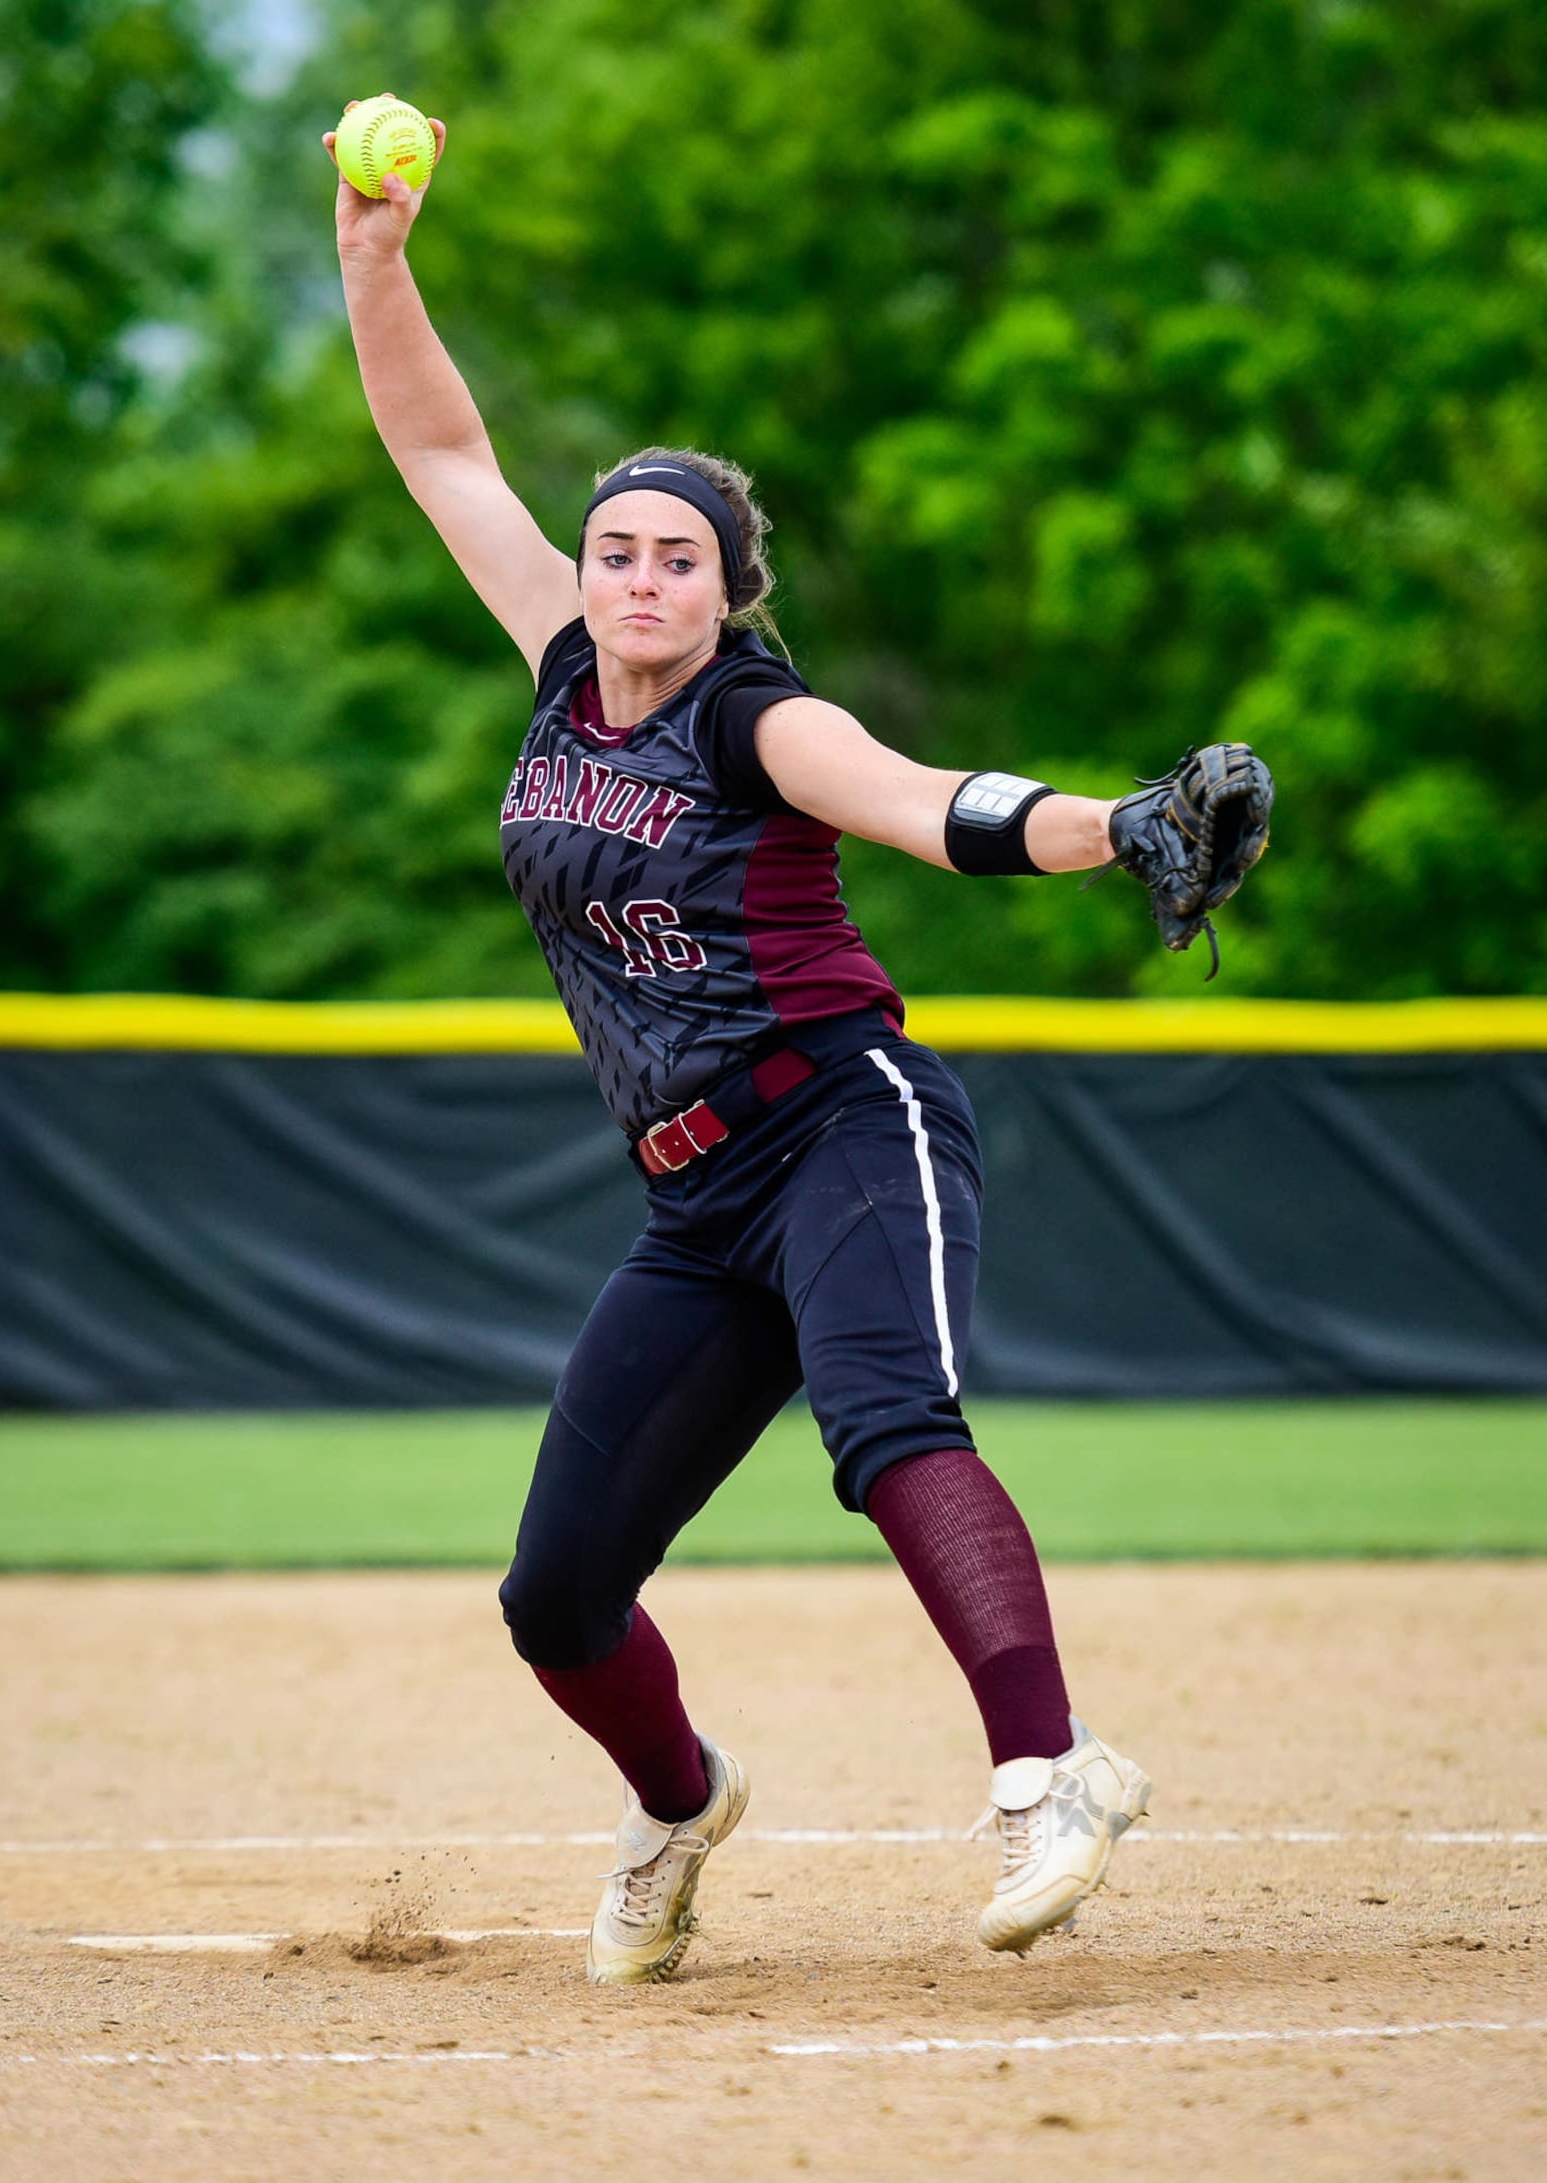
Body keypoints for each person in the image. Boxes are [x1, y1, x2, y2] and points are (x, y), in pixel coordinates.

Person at [327, 106, 1152, 1985]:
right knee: (555, 1596)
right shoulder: (558, 670)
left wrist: (1108, 823)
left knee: (886, 1425)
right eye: (614, 548)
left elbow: (926, 799)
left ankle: (1050, 1770)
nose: (632, 579)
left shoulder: (756, 722)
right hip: (692, 1202)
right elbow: (441, 446)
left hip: (841, 1128)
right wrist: (378, 260)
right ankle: (681, 1797)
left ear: (723, 590)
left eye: (674, 559)